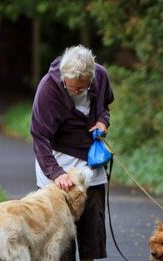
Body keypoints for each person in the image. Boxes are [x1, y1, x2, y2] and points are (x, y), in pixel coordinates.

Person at [30, 45, 114, 261]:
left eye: (80, 88)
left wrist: (103, 122)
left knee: (91, 232)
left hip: (90, 162)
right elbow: (39, 136)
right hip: (56, 161)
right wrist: (56, 173)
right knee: (60, 241)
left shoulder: (100, 76)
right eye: (71, 87)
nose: (75, 91)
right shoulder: (48, 88)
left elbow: (104, 107)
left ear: (91, 78)